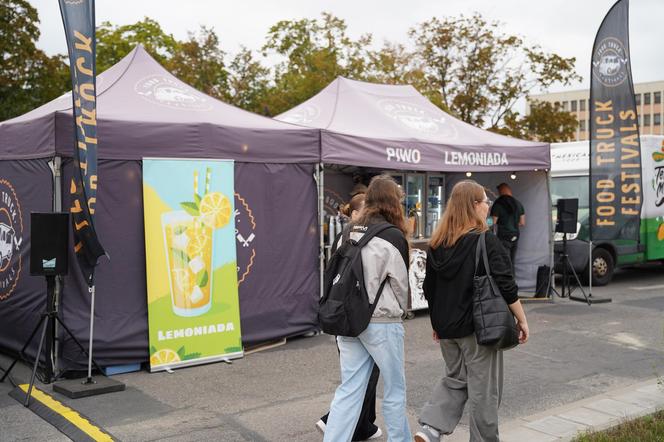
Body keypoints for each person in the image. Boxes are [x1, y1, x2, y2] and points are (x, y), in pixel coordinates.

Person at [414, 180, 529, 442]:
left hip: (447, 329)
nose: (488, 205)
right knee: (484, 392)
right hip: (478, 330)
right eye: (484, 201)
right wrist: (522, 319)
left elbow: (429, 288)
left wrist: (436, 324)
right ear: (473, 206)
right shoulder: (485, 240)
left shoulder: (437, 243)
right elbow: (507, 285)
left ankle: (431, 429)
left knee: (456, 379)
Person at [323, 175, 411, 442]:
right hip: (381, 322)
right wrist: (402, 311)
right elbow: (401, 285)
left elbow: (332, 270)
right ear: (393, 202)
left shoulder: (347, 231)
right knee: (395, 390)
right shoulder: (393, 236)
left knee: (350, 389)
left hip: (347, 319)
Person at [317, 192, 383, 441]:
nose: (371, 215)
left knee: (362, 373)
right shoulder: (351, 238)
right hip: (351, 314)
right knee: (361, 375)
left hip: (343, 313)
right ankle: (333, 420)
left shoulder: (348, 236)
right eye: (366, 210)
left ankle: (364, 423)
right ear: (353, 214)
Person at [490, 182, 525, 273]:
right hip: (515, 236)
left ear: (501, 191)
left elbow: (492, 222)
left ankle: (506, 285)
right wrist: (512, 224)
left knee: (504, 262)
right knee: (511, 262)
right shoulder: (518, 204)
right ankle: (512, 284)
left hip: (503, 237)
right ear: (510, 191)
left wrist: (482, 222)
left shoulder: (498, 204)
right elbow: (522, 222)